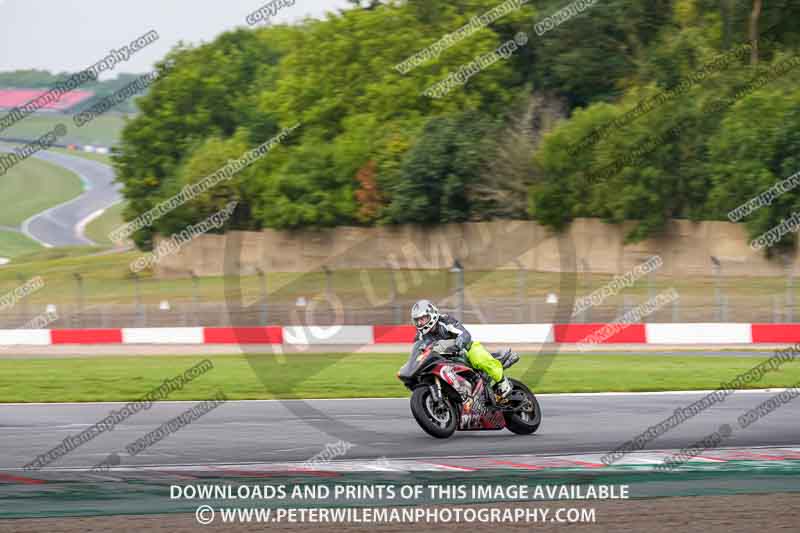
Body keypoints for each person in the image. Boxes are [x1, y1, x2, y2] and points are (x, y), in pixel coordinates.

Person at [411, 299, 512, 399]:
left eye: (422, 318)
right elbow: (418, 355)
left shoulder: (445, 321)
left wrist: (459, 344)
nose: (420, 323)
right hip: (444, 361)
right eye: (417, 320)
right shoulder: (419, 337)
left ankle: (502, 382)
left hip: (463, 351)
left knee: (477, 356)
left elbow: (464, 334)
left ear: (431, 314)